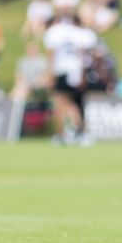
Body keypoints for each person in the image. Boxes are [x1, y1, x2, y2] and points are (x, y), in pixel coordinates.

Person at [43, 13, 97, 145]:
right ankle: (80, 132)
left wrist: (49, 74)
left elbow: (51, 55)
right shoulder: (78, 33)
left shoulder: (54, 33)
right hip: (76, 72)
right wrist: (83, 73)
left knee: (60, 103)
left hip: (62, 71)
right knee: (72, 103)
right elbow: (83, 54)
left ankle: (63, 134)